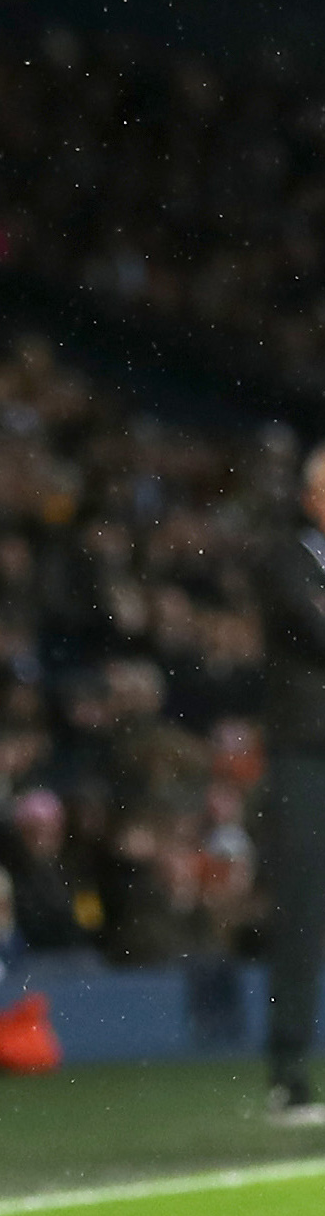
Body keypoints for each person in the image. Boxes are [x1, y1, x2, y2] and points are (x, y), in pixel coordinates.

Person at [262, 445, 325, 1124]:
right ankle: (288, 1072)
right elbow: (311, 631)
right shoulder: (285, 559)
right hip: (305, 753)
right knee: (302, 911)